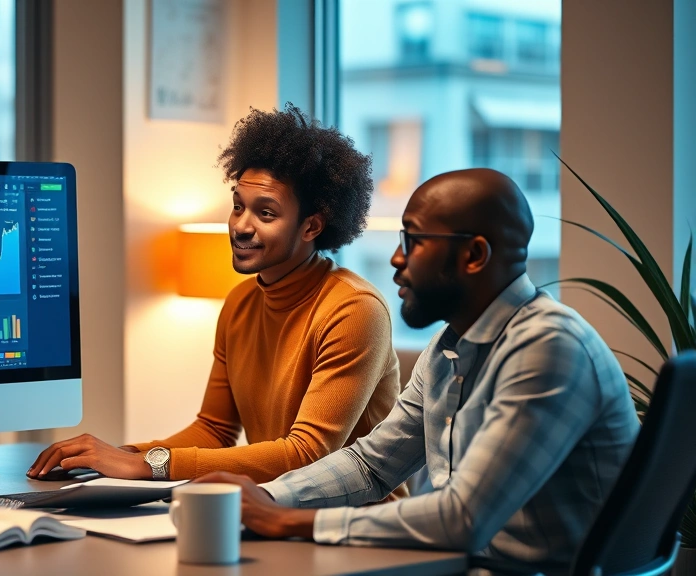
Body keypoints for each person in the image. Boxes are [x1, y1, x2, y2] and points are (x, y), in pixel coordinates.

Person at [196, 168, 640, 570]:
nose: (395, 258)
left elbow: (463, 518)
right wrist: (266, 497)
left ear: (474, 255)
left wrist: (291, 520)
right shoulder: (448, 346)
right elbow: (373, 465)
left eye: (412, 240)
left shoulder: (548, 348)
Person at [28, 104, 404, 492]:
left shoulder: (354, 310)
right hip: (275, 513)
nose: (241, 226)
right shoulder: (240, 303)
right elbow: (214, 429)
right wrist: (118, 456)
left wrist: (148, 466)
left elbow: (305, 454)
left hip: (358, 530)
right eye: (238, 205)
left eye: (266, 213)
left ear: (311, 226)